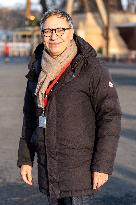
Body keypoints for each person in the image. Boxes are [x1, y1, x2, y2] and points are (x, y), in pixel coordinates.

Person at [17, 9, 121, 205]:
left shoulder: (91, 68)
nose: (54, 36)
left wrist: (103, 165)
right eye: (47, 31)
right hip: (49, 168)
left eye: (60, 30)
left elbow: (110, 117)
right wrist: (25, 159)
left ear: (71, 32)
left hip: (81, 172)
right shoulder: (37, 70)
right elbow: (30, 117)